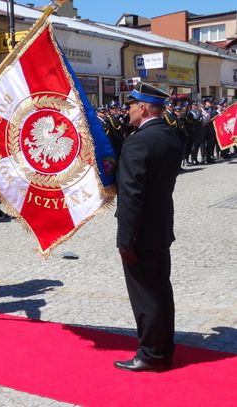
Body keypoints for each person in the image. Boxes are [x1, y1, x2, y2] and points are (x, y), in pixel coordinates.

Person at [114, 82, 182, 372]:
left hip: (140, 232)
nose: (128, 110)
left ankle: (151, 354)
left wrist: (125, 239)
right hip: (160, 227)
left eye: (131, 105)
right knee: (161, 291)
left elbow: (132, 195)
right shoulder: (168, 135)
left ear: (142, 108)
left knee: (145, 294)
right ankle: (165, 348)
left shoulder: (138, 141)